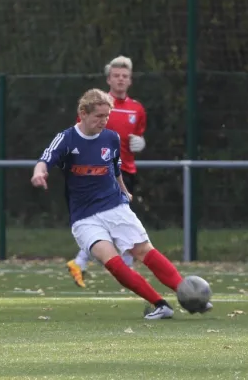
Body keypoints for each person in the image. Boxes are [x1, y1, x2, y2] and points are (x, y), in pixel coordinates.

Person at [31, 89, 212, 319]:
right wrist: (39, 173)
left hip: (115, 207)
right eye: (98, 116)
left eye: (107, 116)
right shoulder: (67, 139)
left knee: (144, 251)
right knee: (114, 263)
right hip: (84, 217)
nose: (103, 121)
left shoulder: (111, 138)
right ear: (82, 114)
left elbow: (115, 169)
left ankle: (189, 296)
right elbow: (45, 159)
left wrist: (125, 191)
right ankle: (160, 304)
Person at [67, 56, 147, 288]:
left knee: (115, 222)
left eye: (125, 76)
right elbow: (80, 132)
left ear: (130, 81)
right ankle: (125, 266)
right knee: (112, 220)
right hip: (101, 172)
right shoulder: (98, 106)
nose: (120, 79)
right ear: (109, 79)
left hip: (127, 171)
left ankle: (80, 262)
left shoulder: (137, 109)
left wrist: (140, 143)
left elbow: (137, 135)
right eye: (116, 76)